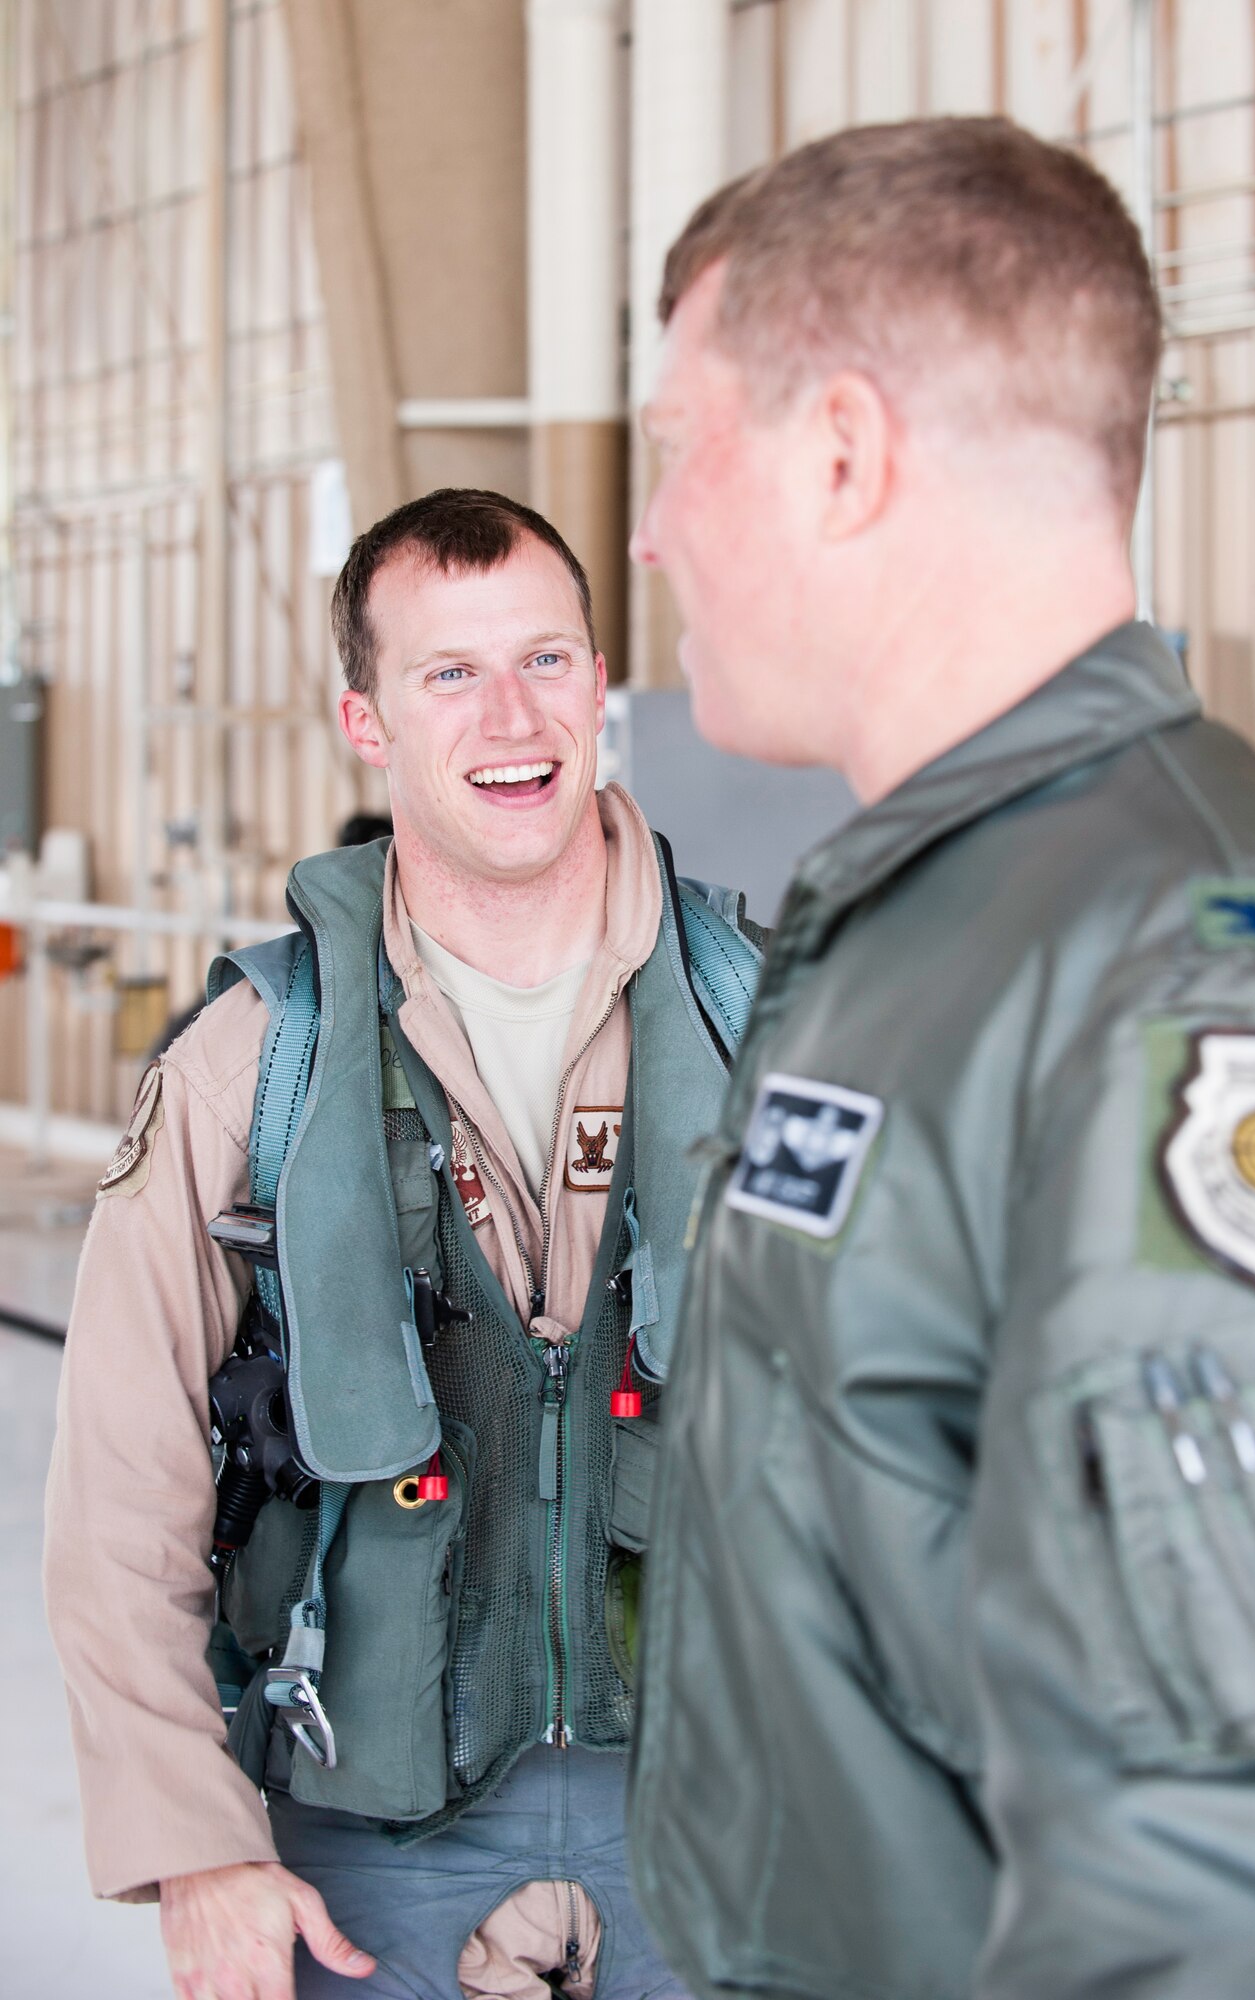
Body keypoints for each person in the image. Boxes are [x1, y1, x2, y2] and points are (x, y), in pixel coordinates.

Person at [626, 117, 1255, 1998]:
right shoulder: (919, 911)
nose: (649, 530)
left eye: (677, 455)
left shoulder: (1188, 962)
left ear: (844, 454)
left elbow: (1233, 1841)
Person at [46, 487, 762, 1999]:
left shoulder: (770, 1024)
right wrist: (195, 1842)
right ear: (365, 720)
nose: (515, 716)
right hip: (366, 1831)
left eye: (547, 661)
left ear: (597, 684)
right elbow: (122, 1486)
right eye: (450, 673)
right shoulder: (256, 1066)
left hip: (724, 1813)